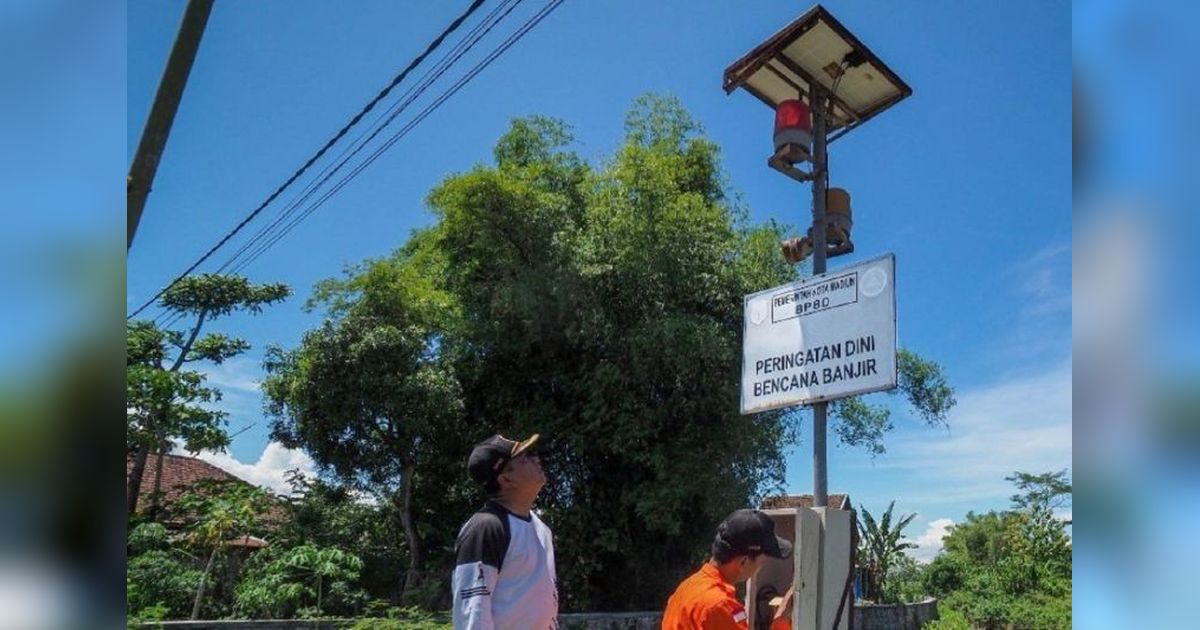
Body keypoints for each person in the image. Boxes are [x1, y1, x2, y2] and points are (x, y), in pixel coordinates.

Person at [452, 433, 558, 630]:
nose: (535, 458)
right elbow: (472, 614)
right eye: (524, 457)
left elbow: (543, 603)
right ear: (507, 479)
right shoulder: (485, 528)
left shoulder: (541, 529)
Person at [662, 509, 794, 630]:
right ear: (743, 562)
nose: (761, 567)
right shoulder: (720, 606)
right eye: (762, 561)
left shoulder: (687, 588)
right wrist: (781, 621)